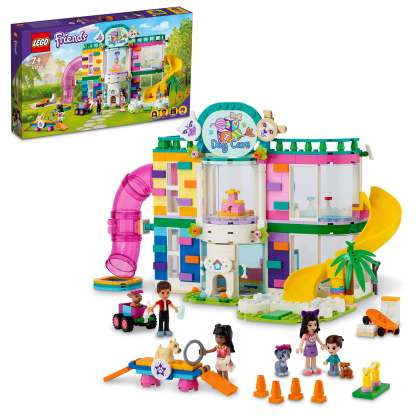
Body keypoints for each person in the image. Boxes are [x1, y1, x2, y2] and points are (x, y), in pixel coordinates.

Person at [296, 310, 326, 376]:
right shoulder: (305, 335)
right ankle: (307, 368)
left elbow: (318, 340)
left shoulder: (315, 334)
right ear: (305, 325)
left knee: (314, 357)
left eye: (315, 324)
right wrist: (300, 347)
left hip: (314, 347)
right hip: (308, 348)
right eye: (310, 325)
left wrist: (322, 344)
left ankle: (314, 366)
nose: (313, 327)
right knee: (307, 358)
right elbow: (302, 342)